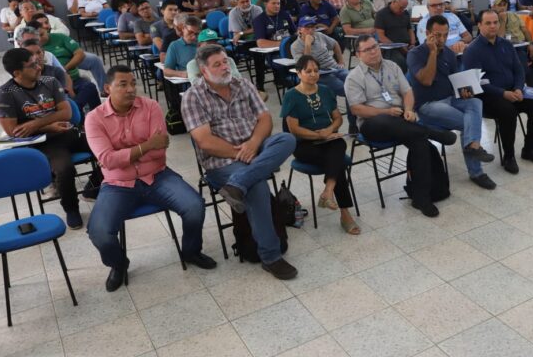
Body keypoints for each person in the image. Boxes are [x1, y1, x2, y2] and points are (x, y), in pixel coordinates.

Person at [85, 65, 216, 292]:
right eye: (123, 84)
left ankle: (191, 251)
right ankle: (119, 264)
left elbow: (160, 150)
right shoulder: (94, 119)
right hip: (118, 184)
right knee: (99, 232)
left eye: (133, 83)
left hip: (157, 175)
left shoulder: (151, 107)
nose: (130, 89)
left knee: (194, 206)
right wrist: (146, 146)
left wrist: (127, 154)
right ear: (107, 88)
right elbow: (108, 159)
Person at [182, 44, 298, 280]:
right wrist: (242, 154)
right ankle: (271, 257)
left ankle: (238, 184)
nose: (225, 67)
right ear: (204, 71)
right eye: (218, 64)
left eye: (226, 61)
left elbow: (265, 118)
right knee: (257, 185)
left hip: (254, 147)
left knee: (286, 139)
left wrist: (254, 144)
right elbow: (205, 142)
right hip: (221, 161)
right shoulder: (193, 97)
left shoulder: (242, 83)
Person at [345, 35, 456, 218]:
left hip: (401, 121)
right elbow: (357, 109)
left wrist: (409, 110)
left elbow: (408, 91)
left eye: (375, 47)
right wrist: (385, 112)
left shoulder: (392, 66)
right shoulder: (354, 77)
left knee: (420, 143)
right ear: (358, 54)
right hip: (373, 123)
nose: (373, 51)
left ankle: (422, 198)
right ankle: (431, 133)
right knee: (391, 123)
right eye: (367, 50)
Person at [0, 48, 96, 228]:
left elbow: (66, 112)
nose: (39, 67)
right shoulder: (5, 93)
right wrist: (47, 126)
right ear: (17, 72)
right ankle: (71, 209)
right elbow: (13, 131)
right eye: (32, 65)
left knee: (110, 145)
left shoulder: (50, 81)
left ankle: (92, 187)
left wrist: (32, 124)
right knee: (65, 169)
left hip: (65, 131)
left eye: (37, 62)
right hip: (42, 142)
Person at [408, 15, 496, 190]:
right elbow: (426, 80)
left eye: (445, 35)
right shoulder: (415, 54)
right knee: (468, 123)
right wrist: (432, 52)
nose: (442, 39)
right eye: (437, 35)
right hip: (428, 105)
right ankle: (476, 171)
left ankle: (473, 145)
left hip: (450, 99)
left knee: (475, 103)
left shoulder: (449, 53)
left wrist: (465, 89)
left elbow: (455, 82)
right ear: (427, 33)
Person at [280, 55, 360, 234]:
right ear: (298, 73)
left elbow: (338, 118)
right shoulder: (291, 96)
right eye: (308, 71)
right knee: (337, 160)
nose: (313, 74)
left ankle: (328, 191)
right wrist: (318, 134)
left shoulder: (325, 90)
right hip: (305, 145)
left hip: (328, 140)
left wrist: (330, 130)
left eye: (316, 70)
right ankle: (344, 213)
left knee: (338, 146)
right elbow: (293, 129)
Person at [463, 10, 533, 174]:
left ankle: (529, 149)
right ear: (479, 25)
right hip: (489, 97)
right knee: (507, 111)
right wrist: (503, 93)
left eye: (496, 22)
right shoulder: (472, 50)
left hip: (513, 90)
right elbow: (475, 83)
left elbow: (519, 70)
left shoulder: (506, 44)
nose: (493, 26)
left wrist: (517, 87)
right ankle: (509, 156)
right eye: (488, 23)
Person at [29, 13, 107, 94]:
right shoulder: (32, 46)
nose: (45, 26)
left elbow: (79, 53)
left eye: (46, 23)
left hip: (70, 60)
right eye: (41, 24)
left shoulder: (59, 36)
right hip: (53, 70)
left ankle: (104, 90)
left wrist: (66, 68)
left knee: (94, 59)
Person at [21, 37, 100, 113]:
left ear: (43, 52)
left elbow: (64, 89)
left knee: (88, 87)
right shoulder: (23, 76)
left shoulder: (55, 71)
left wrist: (71, 96)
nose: (36, 57)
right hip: (41, 109)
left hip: (61, 101)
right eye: (30, 54)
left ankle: (96, 118)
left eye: (39, 52)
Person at [291, 16, 349, 108]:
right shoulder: (295, 46)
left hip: (335, 68)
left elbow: (335, 44)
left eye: (313, 27)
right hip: (320, 73)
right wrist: (307, 44)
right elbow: (305, 65)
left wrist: (341, 61)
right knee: (346, 90)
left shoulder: (319, 35)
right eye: (307, 28)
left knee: (355, 82)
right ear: (300, 29)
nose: (310, 30)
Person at [250, 0, 296, 91]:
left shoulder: (285, 15)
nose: (277, 6)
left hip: (292, 50)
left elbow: (294, 33)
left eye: (278, 3)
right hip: (274, 54)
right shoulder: (259, 20)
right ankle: (292, 87)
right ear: (266, 4)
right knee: (289, 74)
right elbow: (261, 43)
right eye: (273, 3)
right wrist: (284, 44)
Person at [373, 0, 414, 72]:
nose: (402, 10)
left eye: (404, 8)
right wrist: (399, 47)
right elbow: (381, 36)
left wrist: (412, 43)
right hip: (390, 48)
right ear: (394, 2)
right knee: (401, 62)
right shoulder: (381, 14)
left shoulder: (405, 13)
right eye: (401, 7)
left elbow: (410, 30)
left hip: (407, 46)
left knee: (420, 57)